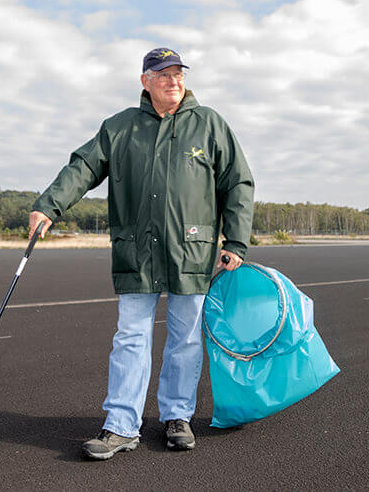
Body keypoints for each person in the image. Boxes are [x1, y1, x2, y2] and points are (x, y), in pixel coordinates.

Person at [29, 47, 254, 459]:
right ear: (145, 81)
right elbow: (83, 166)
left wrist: (235, 242)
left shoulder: (209, 125)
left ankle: (177, 417)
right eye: (163, 74)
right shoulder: (120, 128)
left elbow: (237, 183)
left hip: (192, 251)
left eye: (178, 73)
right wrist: (49, 205)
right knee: (131, 337)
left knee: (185, 339)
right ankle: (120, 425)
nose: (174, 80)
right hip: (138, 253)